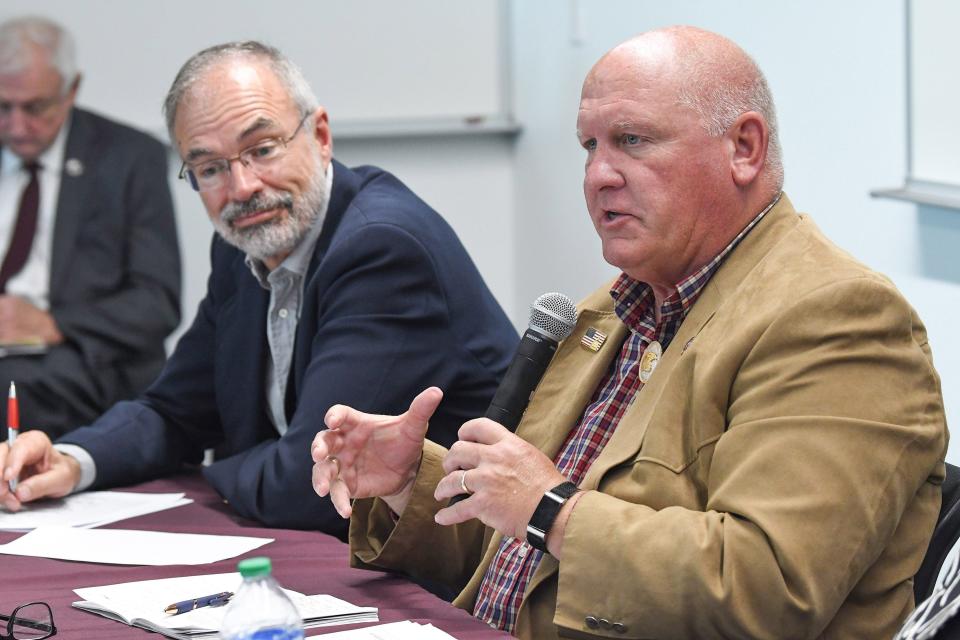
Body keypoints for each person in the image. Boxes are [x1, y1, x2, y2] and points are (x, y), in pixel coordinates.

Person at [311, 25, 948, 638]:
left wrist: (550, 508)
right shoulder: (613, 311)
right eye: (589, 146)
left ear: (744, 149)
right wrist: (404, 485)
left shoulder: (838, 319)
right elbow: (517, 553)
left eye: (633, 141)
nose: (598, 176)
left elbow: (766, 589)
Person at [0, 40, 517, 538]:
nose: (243, 187)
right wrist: (71, 460)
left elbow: (309, 480)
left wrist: (211, 473)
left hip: (461, 564)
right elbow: (174, 410)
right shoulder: (240, 247)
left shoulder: (381, 248)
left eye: (262, 149)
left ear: (320, 136)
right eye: (209, 168)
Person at [0, 16, 180, 438]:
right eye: (3, 107)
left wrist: (52, 322)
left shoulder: (129, 158)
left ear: (72, 90)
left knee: (15, 388)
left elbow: (156, 304)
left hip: (80, 357)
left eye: (35, 107)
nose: (17, 125)